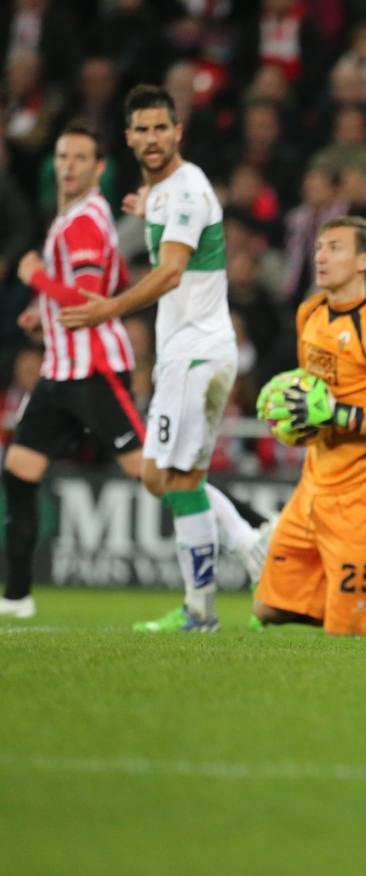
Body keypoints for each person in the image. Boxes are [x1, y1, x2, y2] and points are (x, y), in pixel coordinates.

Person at [58, 86, 260, 633]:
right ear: (128, 138)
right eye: (142, 129)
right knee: (160, 476)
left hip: (197, 352)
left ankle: (201, 609)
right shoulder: (165, 192)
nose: (152, 138)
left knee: (176, 477)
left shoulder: (187, 190)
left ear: (178, 132)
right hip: (186, 353)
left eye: (160, 128)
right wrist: (148, 207)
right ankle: (251, 541)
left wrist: (112, 309)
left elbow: (171, 271)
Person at [252, 216, 366, 637]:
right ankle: (361, 607)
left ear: (364, 260)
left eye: (335, 247)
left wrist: (339, 416)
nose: (321, 256)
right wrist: (292, 417)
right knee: (267, 608)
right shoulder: (310, 313)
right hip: (314, 483)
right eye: (319, 247)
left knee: (349, 630)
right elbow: (313, 394)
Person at [2, 122, 139, 618]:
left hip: (94, 370)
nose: (69, 166)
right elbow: (115, 277)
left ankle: (249, 532)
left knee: (153, 474)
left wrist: (33, 276)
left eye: (80, 158)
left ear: (99, 168)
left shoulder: (82, 220)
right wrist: (44, 315)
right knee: (19, 471)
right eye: (62, 157)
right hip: (59, 370)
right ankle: (16, 597)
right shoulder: (78, 217)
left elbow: (89, 297)